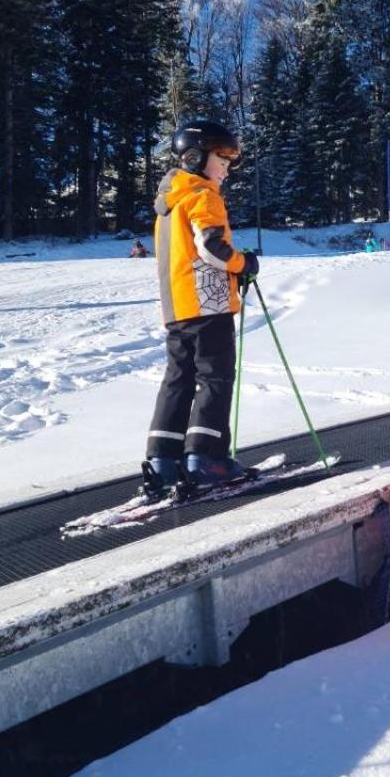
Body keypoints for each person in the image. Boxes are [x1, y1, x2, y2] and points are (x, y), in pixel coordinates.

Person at [142, 119, 260, 496]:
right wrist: (244, 264)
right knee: (215, 376)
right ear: (194, 158)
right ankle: (206, 456)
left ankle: (164, 458)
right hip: (208, 305)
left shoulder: (169, 203)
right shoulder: (201, 194)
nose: (227, 166)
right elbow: (212, 248)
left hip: (178, 308)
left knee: (178, 377)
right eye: (221, 156)